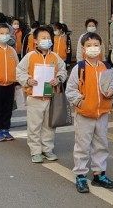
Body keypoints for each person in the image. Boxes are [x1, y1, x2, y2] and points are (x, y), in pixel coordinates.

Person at [66, 32, 113, 193]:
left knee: (101, 145)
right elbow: (71, 90)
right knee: (82, 146)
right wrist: (80, 102)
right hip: (84, 115)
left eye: (96, 45)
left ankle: (99, 174)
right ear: (83, 49)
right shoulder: (79, 68)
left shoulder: (107, 67)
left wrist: (112, 91)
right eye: (89, 46)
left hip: (102, 113)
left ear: (101, 47)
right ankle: (81, 175)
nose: (93, 48)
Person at [16, 26, 67, 163]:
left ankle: (47, 149)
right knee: (34, 125)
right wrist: (27, 80)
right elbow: (19, 71)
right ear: (36, 41)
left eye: (48, 38)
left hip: (50, 96)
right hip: (34, 97)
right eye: (43, 38)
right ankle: (36, 151)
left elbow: (63, 71)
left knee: (49, 125)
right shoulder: (30, 56)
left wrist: (59, 79)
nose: (46, 40)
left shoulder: (55, 57)